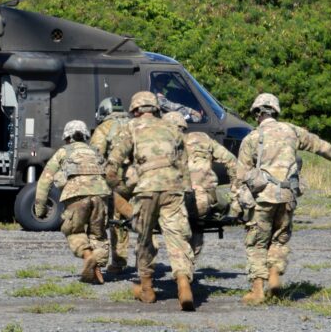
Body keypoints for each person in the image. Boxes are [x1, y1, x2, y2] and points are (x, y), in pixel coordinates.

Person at [235, 93, 331, 304]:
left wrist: (237, 204)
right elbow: (321, 146)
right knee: (280, 238)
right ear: (276, 111)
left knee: (257, 242)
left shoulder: (251, 138)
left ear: (257, 114)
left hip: (262, 198)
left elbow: (240, 177)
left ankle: (257, 290)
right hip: (287, 196)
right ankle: (274, 275)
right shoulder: (293, 131)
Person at [107, 91, 196, 311]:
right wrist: (186, 190)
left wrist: (117, 187)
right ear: (155, 109)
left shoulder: (131, 127)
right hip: (172, 188)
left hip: (146, 188)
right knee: (177, 236)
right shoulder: (172, 128)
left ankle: (146, 288)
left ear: (136, 110)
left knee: (144, 237)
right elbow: (184, 164)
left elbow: (114, 162)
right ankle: (184, 283)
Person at [34, 120, 110, 284]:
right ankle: (98, 270)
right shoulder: (95, 152)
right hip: (101, 193)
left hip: (76, 195)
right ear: (85, 135)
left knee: (74, 231)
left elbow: (44, 180)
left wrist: (40, 208)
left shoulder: (63, 152)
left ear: (67, 137)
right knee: (98, 234)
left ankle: (88, 256)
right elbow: (110, 175)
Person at [162, 111, 241, 256]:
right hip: (202, 203)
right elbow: (233, 162)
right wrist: (236, 198)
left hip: (173, 203)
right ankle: (190, 258)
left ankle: (182, 262)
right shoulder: (202, 139)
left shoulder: (158, 145)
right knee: (218, 205)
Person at [90, 97, 133, 274]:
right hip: (142, 179)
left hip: (118, 181)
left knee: (118, 221)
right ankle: (147, 262)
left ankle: (118, 262)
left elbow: (95, 154)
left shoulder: (105, 128)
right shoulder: (135, 124)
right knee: (147, 218)